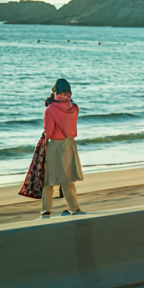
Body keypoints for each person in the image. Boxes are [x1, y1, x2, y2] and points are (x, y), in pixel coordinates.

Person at [41, 78, 84, 218]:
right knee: (67, 179)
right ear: (69, 93)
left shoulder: (50, 109)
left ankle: (45, 212)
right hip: (70, 145)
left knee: (48, 179)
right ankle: (74, 208)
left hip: (55, 145)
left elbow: (48, 132)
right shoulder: (74, 108)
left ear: (56, 92)